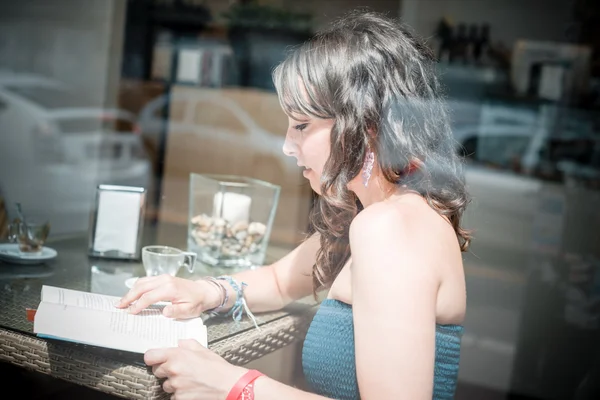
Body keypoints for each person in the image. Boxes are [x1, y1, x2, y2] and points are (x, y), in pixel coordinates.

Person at [118, 9, 471, 400]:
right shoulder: (379, 213)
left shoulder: (390, 228)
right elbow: (279, 281)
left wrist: (232, 386)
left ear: (365, 127)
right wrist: (206, 291)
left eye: (302, 126)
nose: (287, 146)